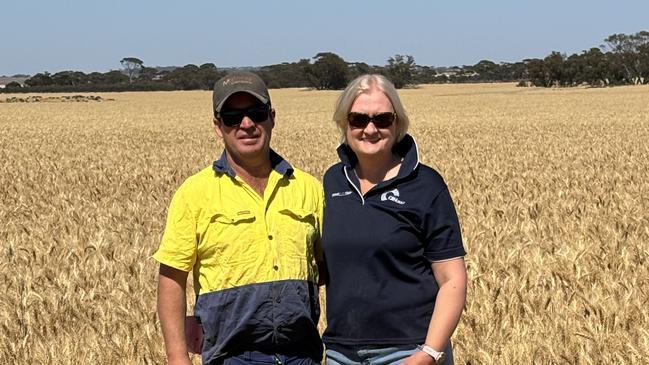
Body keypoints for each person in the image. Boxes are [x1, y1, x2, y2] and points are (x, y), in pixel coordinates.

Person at [154, 71, 324, 365]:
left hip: (302, 355)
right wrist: (177, 357)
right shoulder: (195, 193)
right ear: (218, 127)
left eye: (256, 113)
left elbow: (331, 272)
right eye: (233, 117)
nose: (246, 125)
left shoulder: (309, 188)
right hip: (232, 357)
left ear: (272, 117)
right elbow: (172, 278)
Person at [321, 74, 467, 365]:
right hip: (341, 353)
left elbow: (453, 278)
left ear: (397, 123)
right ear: (344, 123)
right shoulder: (333, 181)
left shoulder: (426, 184)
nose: (370, 129)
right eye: (358, 119)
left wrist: (429, 353)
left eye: (383, 119)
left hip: (407, 351)